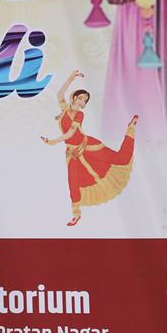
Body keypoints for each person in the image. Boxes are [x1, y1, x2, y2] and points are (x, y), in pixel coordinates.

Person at [40, 70, 138, 226]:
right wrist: (71, 77)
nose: (82, 102)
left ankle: (130, 130)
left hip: (88, 146)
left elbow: (71, 133)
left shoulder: (80, 115)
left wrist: (53, 141)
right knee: (73, 182)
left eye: (85, 100)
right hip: (71, 153)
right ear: (74, 97)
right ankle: (76, 214)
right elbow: (60, 94)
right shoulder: (64, 109)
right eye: (80, 98)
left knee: (121, 159)